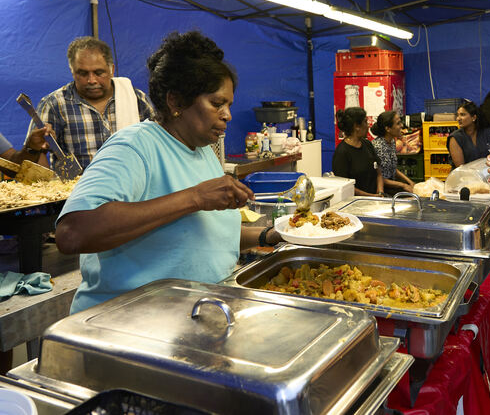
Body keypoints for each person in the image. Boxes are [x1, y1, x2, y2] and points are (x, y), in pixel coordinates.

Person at [55, 31, 279, 314]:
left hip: (192, 316)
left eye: (228, 105)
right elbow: (73, 233)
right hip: (127, 327)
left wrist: (268, 235)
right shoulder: (135, 147)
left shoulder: (203, 151)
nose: (227, 115)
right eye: (216, 103)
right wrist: (195, 197)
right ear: (175, 102)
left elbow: (204, 234)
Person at [30, 36, 154, 169]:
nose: (91, 80)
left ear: (111, 70)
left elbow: (156, 144)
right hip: (77, 188)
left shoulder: (135, 99)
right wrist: (35, 147)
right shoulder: (54, 104)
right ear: (72, 72)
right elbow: (37, 154)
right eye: (83, 74)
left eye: (99, 72)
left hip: (132, 185)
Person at [332, 107, 383, 196]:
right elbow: (344, 186)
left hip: (376, 200)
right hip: (356, 203)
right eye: (365, 122)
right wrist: (371, 197)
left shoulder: (367, 144)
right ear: (357, 127)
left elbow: (378, 173)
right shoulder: (342, 153)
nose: (368, 126)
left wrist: (380, 193)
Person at [370, 110, 415, 195]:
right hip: (383, 189)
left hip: (393, 185)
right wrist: (403, 185)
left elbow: (393, 170)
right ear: (388, 129)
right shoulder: (378, 146)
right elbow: (378, 177)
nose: (401, 125)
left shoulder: (392, 142)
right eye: (398, 123)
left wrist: (410, 182)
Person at [447, 100, 490, 168]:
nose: (458, 118)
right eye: (457, 115)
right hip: (463, 176)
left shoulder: (485, 133)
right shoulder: (455, 138)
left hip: (483, 174)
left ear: (474, 118)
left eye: (462, 115)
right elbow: (461, 168)